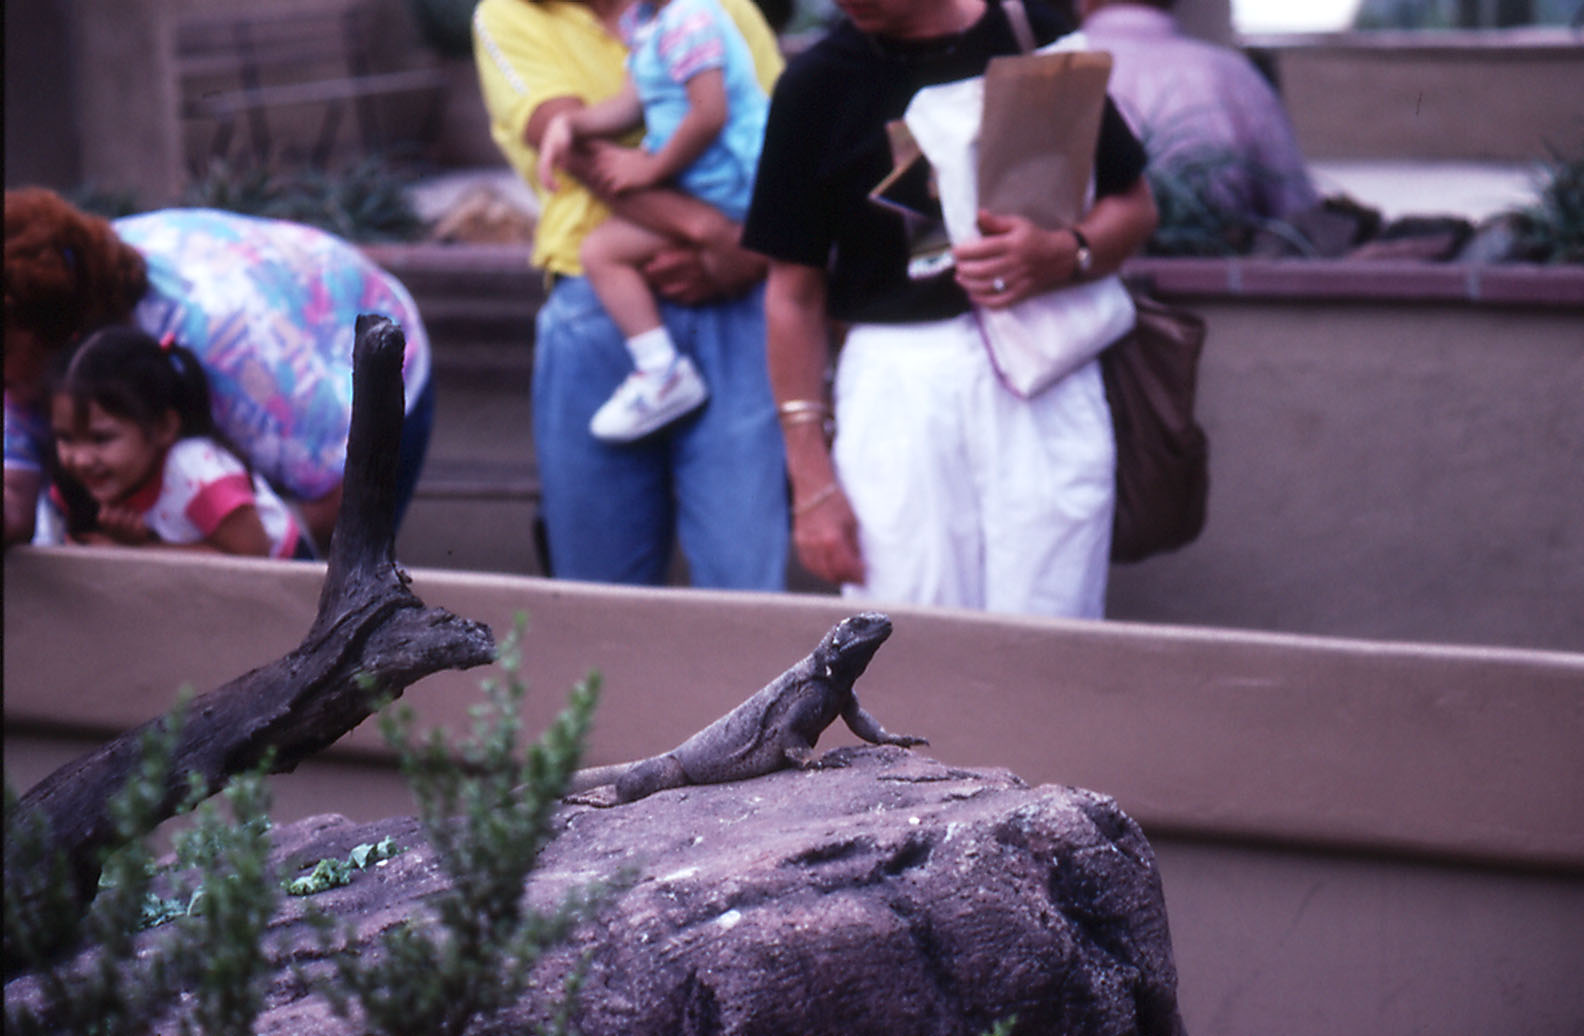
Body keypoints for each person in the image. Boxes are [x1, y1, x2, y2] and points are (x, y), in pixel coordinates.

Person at [742, 0, 1158, 616]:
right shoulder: (816, 84)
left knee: (1050, 640)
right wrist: (811, 484)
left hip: (1045, 371)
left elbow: (1135, 206)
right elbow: (792, 295)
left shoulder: (1030, 35)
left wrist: (1065, 253)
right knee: (907, 648)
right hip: (895, 386)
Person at [473, 0, 790, 589]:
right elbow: (583, 154)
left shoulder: (719, 9)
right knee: (600, 586)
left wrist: (749, 256)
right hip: (600, 311)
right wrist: (716, 237)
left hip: (735, 304)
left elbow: (786, 129)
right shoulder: (509, 14)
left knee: (744, 576)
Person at [4, 189, 434, 552]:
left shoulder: (225, 343)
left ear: (64, 333)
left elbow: (324, 508)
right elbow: (14, 506)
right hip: (256, 319)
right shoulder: (36, 335)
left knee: (334, 572)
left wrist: (154, 553)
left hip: (360, 350)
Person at [536, 0, 770, 444]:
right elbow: (630, 103)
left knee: (602, 251)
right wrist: (571, 123)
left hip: (732, 184)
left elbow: (709, 114)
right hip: (703, 187)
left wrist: (652, 168)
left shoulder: (691, 19)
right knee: (601, 250)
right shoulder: (647, 25)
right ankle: (662, 370)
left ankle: (662, 374)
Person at [47, 326, 307, 559]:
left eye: (100, 438)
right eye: (65, 438)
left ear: (163, 427)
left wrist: (134, 553)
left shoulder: (197, 474)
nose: (80, 459)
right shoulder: (77, 481)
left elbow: (252, 556)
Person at [1076, 0, 1317, 221]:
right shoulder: (1236, 77)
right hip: (1222, 261)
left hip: (1087, 259)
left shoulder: (1057, 69)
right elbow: (1299, 214)